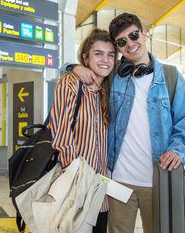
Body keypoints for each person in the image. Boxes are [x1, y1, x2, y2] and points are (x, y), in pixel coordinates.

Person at [69, 12, 185, 233]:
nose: (130, 44)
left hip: (157, 180)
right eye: (122, 42)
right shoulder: (112, 77)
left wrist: (178, 149)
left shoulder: (170, 77)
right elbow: (87, 64)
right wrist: (73, 67)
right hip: (118, 181)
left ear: (144, 34)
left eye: (134, 35)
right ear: (118, 47)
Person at [49, 28, 117, 233]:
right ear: (86, 58)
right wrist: (76, 177)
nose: (105, 59)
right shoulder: (71, 83)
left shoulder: (110, 88)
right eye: (98, 53)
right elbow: (61, 134)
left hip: (102, 189)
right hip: (76, 188)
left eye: (111, 55)